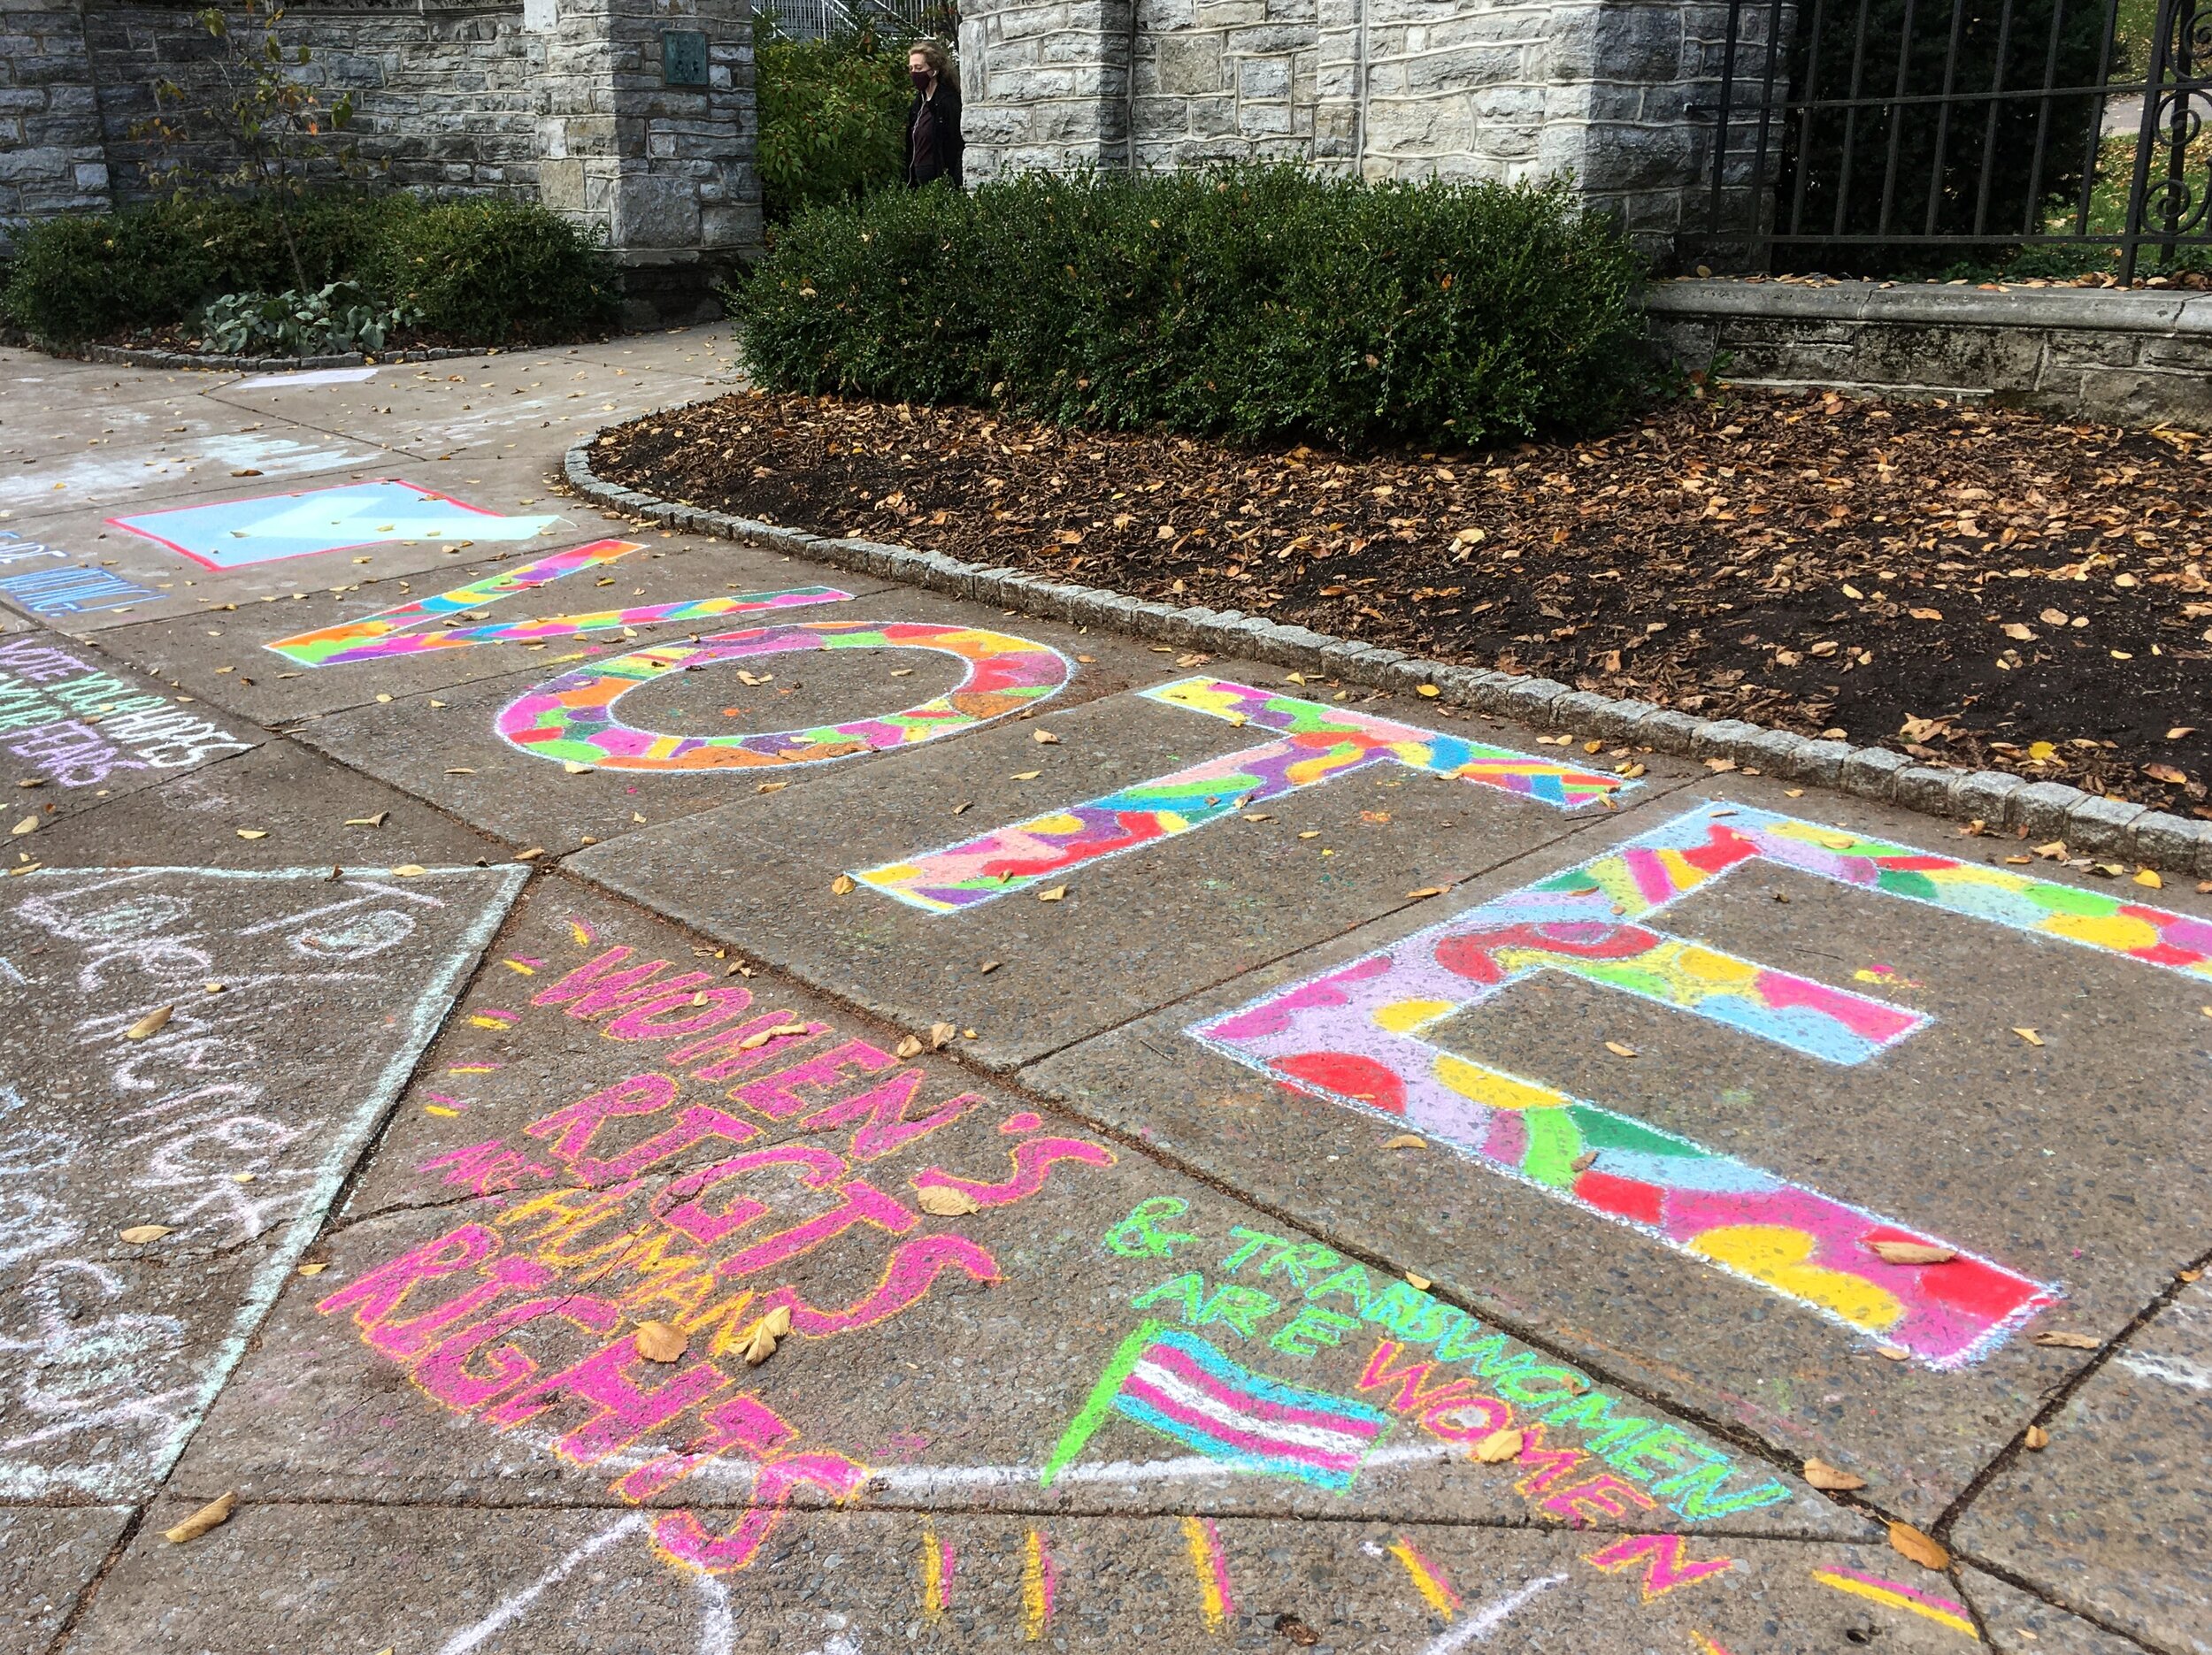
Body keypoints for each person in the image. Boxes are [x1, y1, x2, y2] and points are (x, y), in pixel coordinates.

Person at [904, 40, 964, 189]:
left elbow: (956, 143)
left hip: (940, 179)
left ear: (934, 70)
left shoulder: (948, 102)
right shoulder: (918, 104)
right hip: (919, 179)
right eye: (911, 68)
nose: (914, 73)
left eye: (919, 68)